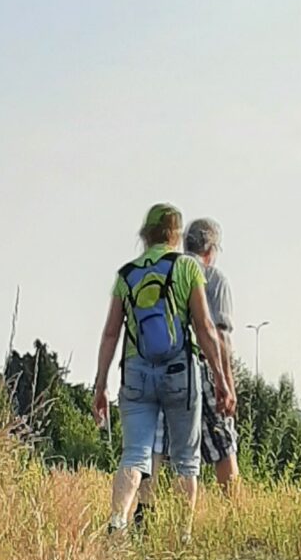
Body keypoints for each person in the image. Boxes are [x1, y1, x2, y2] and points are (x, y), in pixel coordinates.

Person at [91, 205, 233, 535]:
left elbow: (111, 332)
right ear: (176, 235)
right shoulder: (186, 268)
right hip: (181, 374)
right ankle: (181, 537)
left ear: (146, 234)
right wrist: (222, 380)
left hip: (137, 373)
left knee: (136, 453)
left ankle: (118, 523)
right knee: (186, 459)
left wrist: (101, 385)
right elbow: (205, 327)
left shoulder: (126, 275)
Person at [185, 216, 241, 493]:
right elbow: (220, 336)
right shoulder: (214, 278)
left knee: (179, 450)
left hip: (171, 366)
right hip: (206, 367)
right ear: (211, 250)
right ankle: (236, 515)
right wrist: (228, 384)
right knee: (223, 442)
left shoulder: (173, 272)